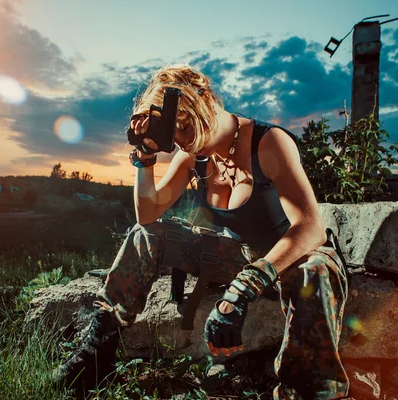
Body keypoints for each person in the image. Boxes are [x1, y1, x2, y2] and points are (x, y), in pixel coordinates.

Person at [53, 64, 350, 399]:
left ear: (205, 99)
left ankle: (310, 391)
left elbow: (311, 227)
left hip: (291, 257)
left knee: (315, 270)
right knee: (147, 235)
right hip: (241, 256)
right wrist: (145, 157)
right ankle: (98, 349)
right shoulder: (194, 155)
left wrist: (245, 286)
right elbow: (147, 215)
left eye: (184, 128)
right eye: (173, 136)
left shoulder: (269, 143)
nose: (183, 143)